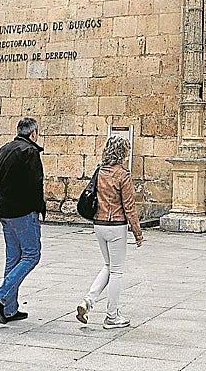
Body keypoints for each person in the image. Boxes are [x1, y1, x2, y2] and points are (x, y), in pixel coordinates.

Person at [76, 135, 144, 329]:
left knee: (108, 265)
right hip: (116, 225)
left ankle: (88, 301)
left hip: (99, 224)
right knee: (117, 271)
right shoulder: (123, 175)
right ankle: (112, 316)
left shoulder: (100, 171)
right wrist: (138, 232)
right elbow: (129, 207)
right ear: (122, 153)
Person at [0, 117, 45, 325]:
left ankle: (9, 309)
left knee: (13, 259)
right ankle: (0, 295)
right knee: (32, 255)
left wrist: (5, 199)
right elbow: (36, 184)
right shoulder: (30, 151)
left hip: (5, 211)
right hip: (24, 212)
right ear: (33, 133)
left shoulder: (4, 149)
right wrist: (37, 207)